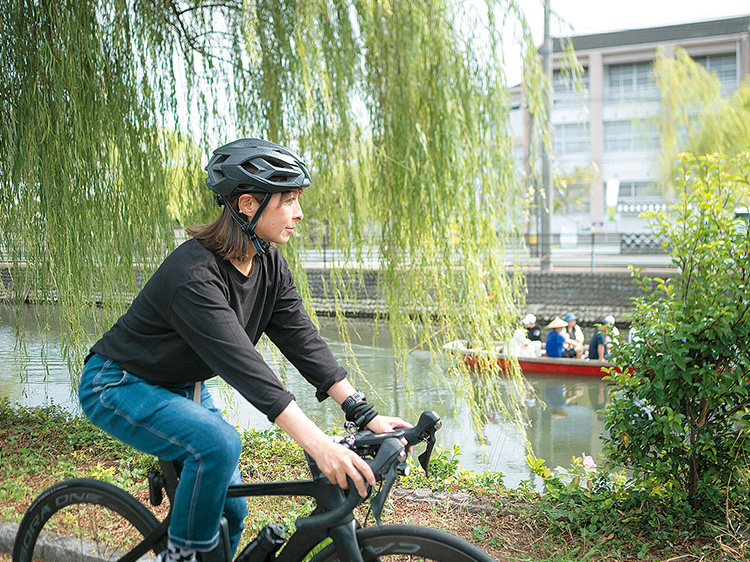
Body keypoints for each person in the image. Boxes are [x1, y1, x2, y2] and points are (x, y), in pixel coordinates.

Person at [78, 138, 410, 562]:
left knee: (233, 511)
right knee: (217, 443)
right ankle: (178, 557)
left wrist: (363, 413)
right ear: (249, 204)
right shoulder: (193, 275)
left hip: (184, 387)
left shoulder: (268, 262)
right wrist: (318, 445)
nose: (299, 213)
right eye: (288, 200)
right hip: (118, 383)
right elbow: (246, 368)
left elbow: (302, 339)